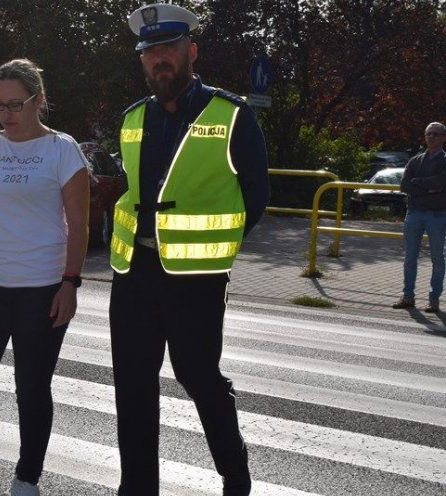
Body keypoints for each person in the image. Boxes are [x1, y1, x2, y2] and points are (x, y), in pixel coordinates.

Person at [108, 4, 270, 496]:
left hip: (196, 278)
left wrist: (210, 247)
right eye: (150, 52)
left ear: (190, 51)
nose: (160, 60)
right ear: (142, 61)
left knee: (197, 375)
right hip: (134, 273)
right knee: (133, 387)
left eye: (169, 50)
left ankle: (234, 472)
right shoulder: (132, 118)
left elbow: (257, 197)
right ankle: (137, 488)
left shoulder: (231, 114)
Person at [0, 58, 90, 496]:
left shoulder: (62, 151)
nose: (7, 114)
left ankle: (27, 478)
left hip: (42, 289)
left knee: (31, 390)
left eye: (16, 105)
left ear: (39, 101)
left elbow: (79, 225)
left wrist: (70, 282)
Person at [392, 122, 446, 312]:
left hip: (438, 214)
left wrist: (419, 185)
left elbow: (441, 182)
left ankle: (433, 299)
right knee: (410, 257)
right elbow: (405, 186)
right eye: (429, 133)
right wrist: (430, 189)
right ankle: (408, 296)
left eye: (436, 134)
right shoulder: (414, 161)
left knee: (438, 258)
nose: (431, 137)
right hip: (414, 212)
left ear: (443, 138)